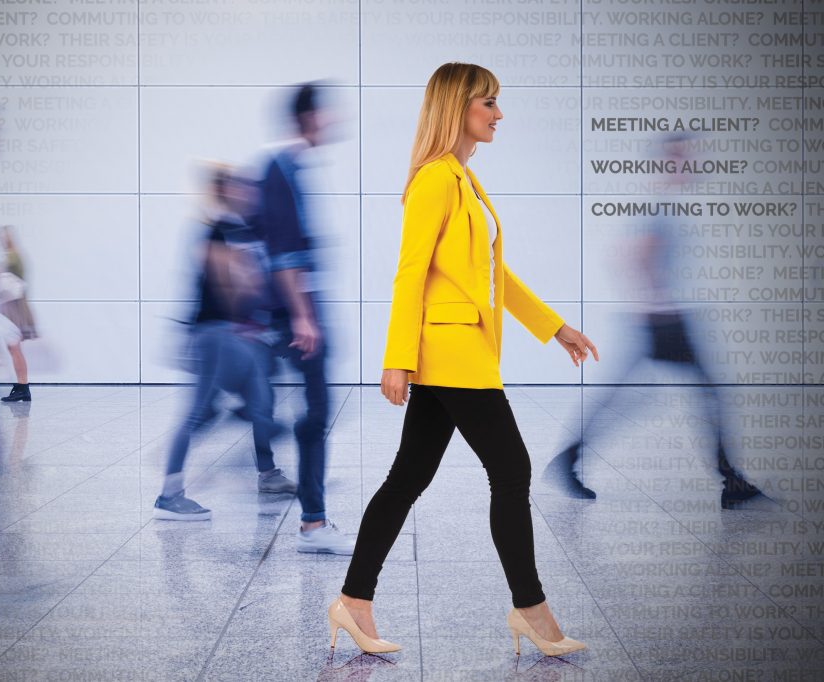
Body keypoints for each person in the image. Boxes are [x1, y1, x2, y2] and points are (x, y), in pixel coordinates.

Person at [328, 63, 599, 656]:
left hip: (465, 352)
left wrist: (555, 328)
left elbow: (495, 276)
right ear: (457, 108)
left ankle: (352, 602)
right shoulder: (434, 181)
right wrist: (396, 358)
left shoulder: (465, 181)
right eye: (488, 103)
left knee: (408, 478)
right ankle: (532, 612)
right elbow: (410, 273)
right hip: (450, 355)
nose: (499, 114)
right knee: (512, 471)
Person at [542, 134, 764, 509]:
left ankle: (569, 459)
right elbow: (631, 255)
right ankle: (730, 481)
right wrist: (655, 301)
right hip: (664, 320)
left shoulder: (671, 203)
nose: (690, 165)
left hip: (661, 320)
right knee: (705, 393)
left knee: (634, 397)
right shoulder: (662, 203)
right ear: (667, 162)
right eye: (682, 158)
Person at [154, 164, 297, 521]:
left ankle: (268, 474)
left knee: (261, 401)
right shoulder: (215, 229)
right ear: (225, 192)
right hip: (215, 336)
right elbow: (228, 283)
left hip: (234, 337)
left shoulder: (238, 230)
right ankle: (169, 495)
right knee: (196, 412)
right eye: (240, 188)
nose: (249, 194)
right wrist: (250, 298)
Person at [258, 82, 353, 554]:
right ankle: (313, 524)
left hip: (297, 309)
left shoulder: (291, 167)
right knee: (314, 412)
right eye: (327, 112)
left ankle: (308, 511)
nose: (334, 119)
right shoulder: (281, 169)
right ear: (309, 117)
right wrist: (302, 317)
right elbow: (282, 254)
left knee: (311, 411)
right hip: (294, 311)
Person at [0, 225, 37, 403]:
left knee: (14, 348)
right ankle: (21, 387)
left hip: (13, 309)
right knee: (14, 348)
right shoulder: (16, 256)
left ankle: (22, 387)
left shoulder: (11, 257)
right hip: (16, 308)